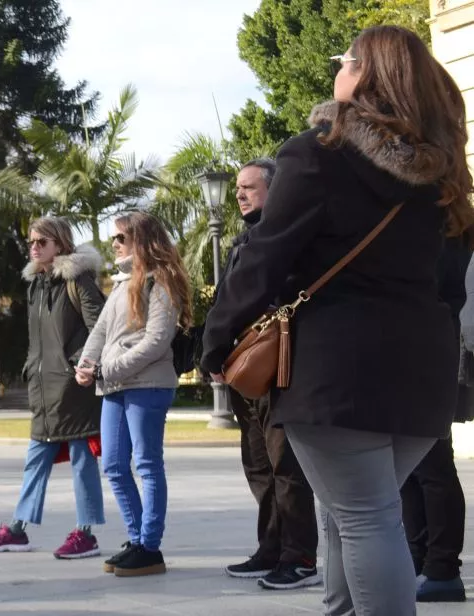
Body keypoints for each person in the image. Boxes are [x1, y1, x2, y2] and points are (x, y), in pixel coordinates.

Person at [200, 26, 472, 616]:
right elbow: (451, 282)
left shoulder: (318, 153)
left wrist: (216, 342)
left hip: (336, 370)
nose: (336, 70)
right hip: (423, 368)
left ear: (364, 76)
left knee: (365, 516)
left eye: (343, 61)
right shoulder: (445, 172)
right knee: (352, 510)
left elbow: (266, 259)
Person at [0, 217, 106, 559]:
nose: (34, 247)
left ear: (60, 245)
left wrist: (82, 363)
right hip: (42, 386)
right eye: (32, 241)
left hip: (74, 386)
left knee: (82, 459)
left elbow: (100, 327)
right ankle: (18, 529)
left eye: (41, 242)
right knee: (36, 459)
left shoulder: (79, 279)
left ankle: (86, 533)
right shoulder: (36, 283)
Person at [76, 211, 192, 577]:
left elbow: (157, 342)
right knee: (112, 463)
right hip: (114, 386)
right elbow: (101, 331)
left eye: (121, 238)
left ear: (141, 241)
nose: (114, 244)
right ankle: (137, 539)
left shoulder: (162, 281)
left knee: (146, 465)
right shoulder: (123, 283)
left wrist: (106, 369)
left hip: (148, 385)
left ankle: (150, 545)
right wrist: (86, 363)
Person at [221, 160, 319, 590]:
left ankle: (299, 557)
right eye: (237, 188)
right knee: (258, 463)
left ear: (273, 189)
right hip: (244, 366)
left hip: (278, 364)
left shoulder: (288, 235)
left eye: (249, 187)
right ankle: (271, 546)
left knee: (286, 465)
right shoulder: (241, 241)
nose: (240, 195)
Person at [402, 235, 473, 603]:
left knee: (431, 465)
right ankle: (421, 561)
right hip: (418, 351)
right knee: (411, 467)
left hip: (429, 354)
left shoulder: (446, 230)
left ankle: (442, 567)